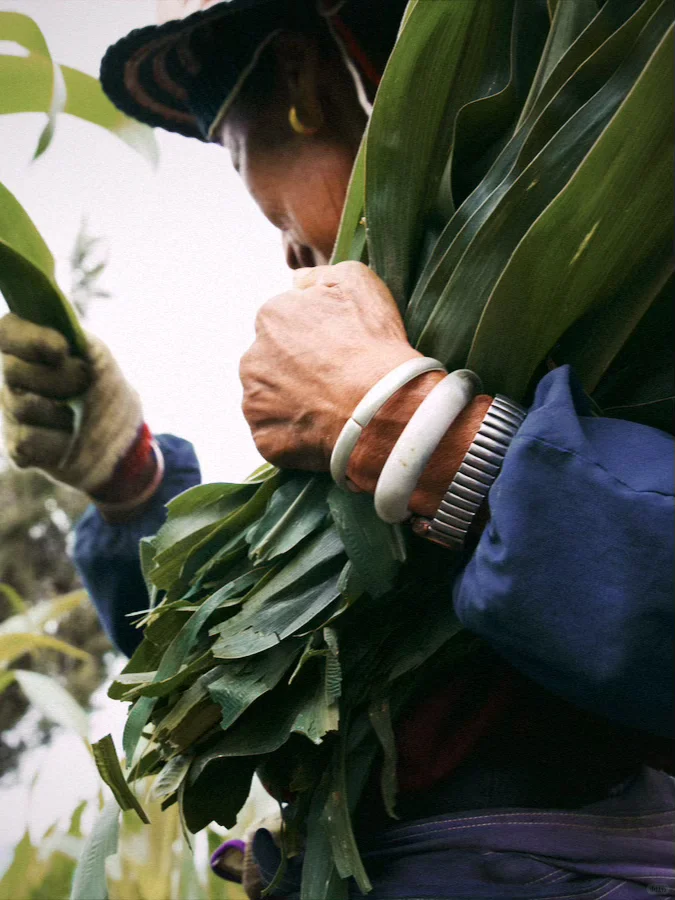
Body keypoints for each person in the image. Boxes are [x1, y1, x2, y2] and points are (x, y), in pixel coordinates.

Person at [0, 1, 673, 897]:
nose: (286, 249)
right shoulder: (383, 414)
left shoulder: (627, 326)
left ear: (302, 81)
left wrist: (421, 432)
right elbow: (240, 664)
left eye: (240, 158)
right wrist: (126, 475)